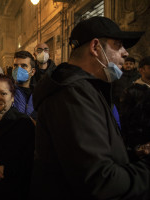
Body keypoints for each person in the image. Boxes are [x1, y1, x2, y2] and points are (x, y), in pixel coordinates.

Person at [30, 16, 150, 199]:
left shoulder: (88, 89)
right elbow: (100, 181)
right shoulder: (72, 95)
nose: (126, 53)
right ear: (95, 47)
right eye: (118, 45)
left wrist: (133, 155)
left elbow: (96, 151)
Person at [120, 56, 150, 159]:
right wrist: (135, 148)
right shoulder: (132, 91)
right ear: (141, 70)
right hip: (142, 143)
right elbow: (126, 121)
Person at [12, 51, 36, 120]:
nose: (18, 69)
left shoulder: (39, 94)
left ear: (32, 72)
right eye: (15, 65)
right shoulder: (7, 91)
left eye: (24, 66)